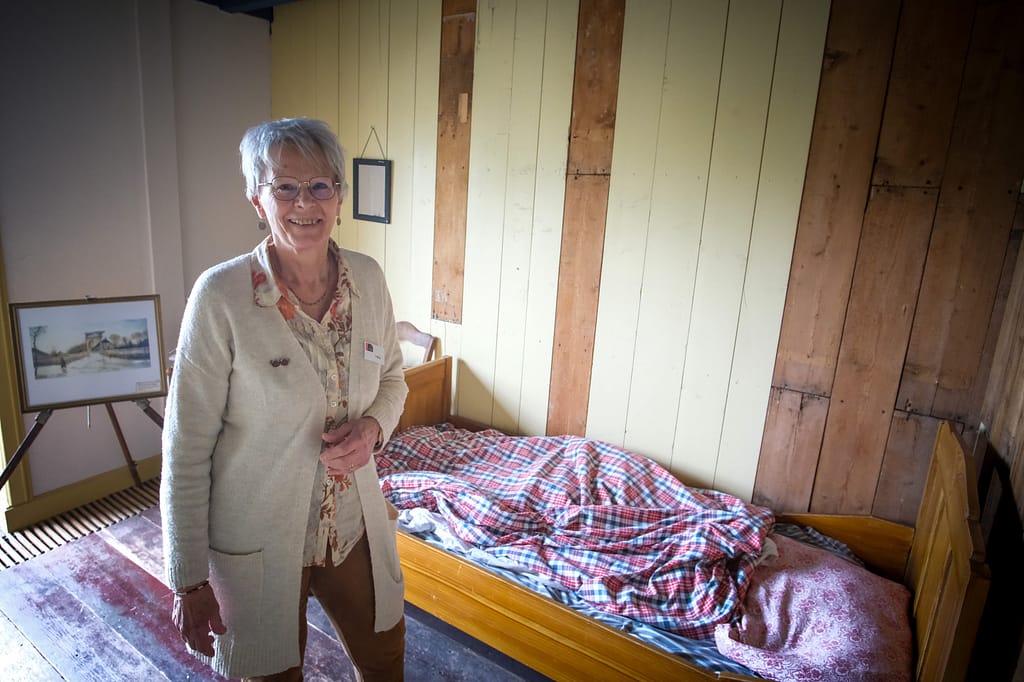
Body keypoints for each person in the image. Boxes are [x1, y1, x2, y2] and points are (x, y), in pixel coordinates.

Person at [161, 117, 408, 681]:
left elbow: (393, 380)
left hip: (351, 526)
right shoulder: (220, 298)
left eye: (321, 185)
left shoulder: (368, 280)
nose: (306, 202)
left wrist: (371, 432)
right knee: (268, 674)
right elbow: (186, 449)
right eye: (285, 186)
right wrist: (188, 577)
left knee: (385, 653)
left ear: (340, 198)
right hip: (256, 536)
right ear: (257, 198)